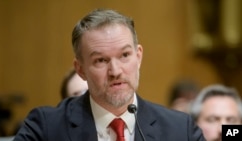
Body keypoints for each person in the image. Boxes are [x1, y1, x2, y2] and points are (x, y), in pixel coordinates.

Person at [13, 9, 205, 141]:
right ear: (80, 69)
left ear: (138, 56)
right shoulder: (46, 128)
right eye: (101, 61)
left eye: (124, 55)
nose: (115, 71)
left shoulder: (180, 130)